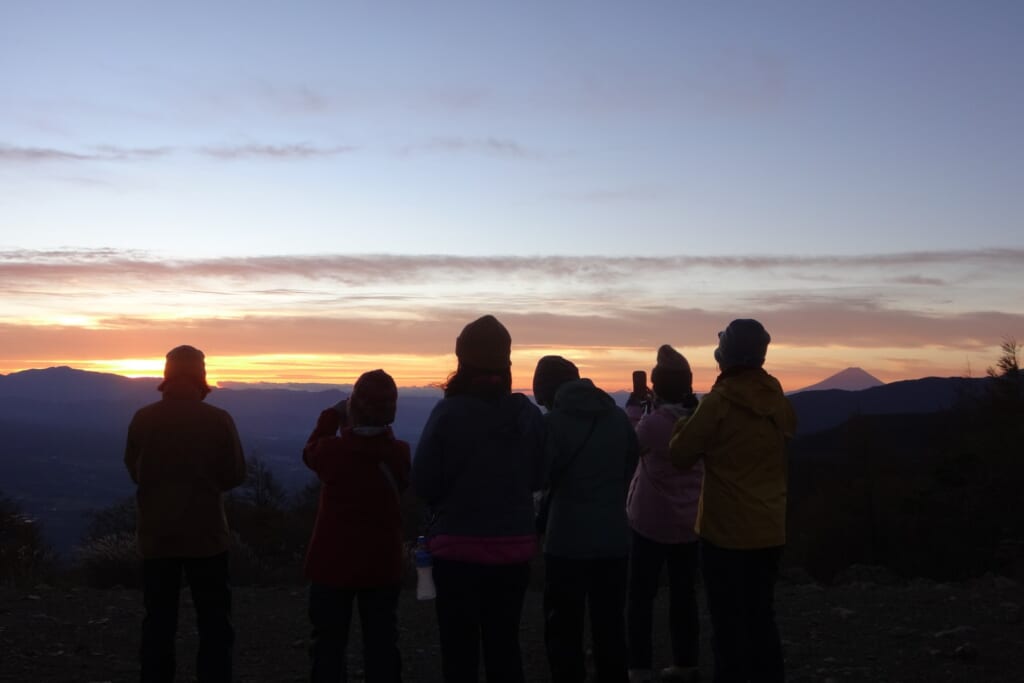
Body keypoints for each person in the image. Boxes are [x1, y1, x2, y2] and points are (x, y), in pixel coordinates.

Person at [412, 315, 545, 683]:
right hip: (514, 548)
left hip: (457, 551)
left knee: (459, 651)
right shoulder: (527, 415)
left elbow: (423, 482)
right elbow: (539, 476)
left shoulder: (448, 413)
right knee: (505, 646)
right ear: (507, 364)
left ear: (462, 363)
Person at [669, 319, 797, 683]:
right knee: (761, 617)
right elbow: (790, 429)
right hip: (769, 528)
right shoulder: (775, 397)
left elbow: (680, 456)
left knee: (726, 624)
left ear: (725, 354)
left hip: (723, 531)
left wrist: (683, 422)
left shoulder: (719, 402)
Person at [124, 344, 246, 683]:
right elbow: (235, 474)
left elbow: (134, 470)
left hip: (156, 536)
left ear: (166, 375)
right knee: (214, 623)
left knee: (158, 622)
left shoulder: (143, 418)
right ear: (201, 376)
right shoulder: (218, 420)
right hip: (207, 536)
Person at [533, 355, 640, 683]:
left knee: (564, 629)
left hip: (566, 540)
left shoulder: (551, 425)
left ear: (546, 390)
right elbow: (629, 465)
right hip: (613, 537)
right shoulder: (618, 418)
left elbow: (538, 477)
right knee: (610, 625)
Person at [302, 369, 411, 683]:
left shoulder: (331, 452)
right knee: (382, 644)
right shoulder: (399, 453)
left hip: (330, 564)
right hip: (382, 564)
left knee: (328, 647)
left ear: (354, 408)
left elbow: (310, 451)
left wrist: (332, 416)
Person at [625, 345, 702, 683]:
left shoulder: (654, 423)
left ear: (657, 385)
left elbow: (629, 447)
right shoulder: (702, 419)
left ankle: (639, 666)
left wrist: (634, 408)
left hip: (651, 521)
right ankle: (686, 661)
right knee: (684, 595)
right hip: (691, 521)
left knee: (640, 596)